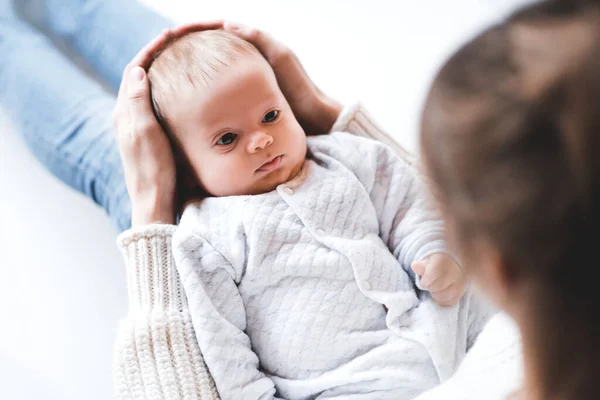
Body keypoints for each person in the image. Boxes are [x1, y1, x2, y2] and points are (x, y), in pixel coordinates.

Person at [143, 29, 477, 399]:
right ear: (187, 170)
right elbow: (222, 344)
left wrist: (432, 253)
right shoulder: (206, 234)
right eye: (227, 139)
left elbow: (407, 207)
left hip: (434, 333)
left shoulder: (345, 157)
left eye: (271, 115)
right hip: (338, 385)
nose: (260, 139)